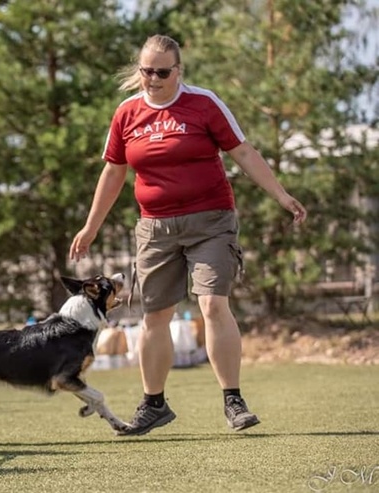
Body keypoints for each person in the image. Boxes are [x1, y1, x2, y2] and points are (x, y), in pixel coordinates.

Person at [69, 34, 307, 435]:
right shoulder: (127, 113)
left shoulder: (204, 103)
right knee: (154, 316)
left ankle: (233, 399)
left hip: (210, 222)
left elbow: (244, 152)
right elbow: (113, 171)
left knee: (213, 304)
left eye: (163, 72)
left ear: (179, 71)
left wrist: (281, 195)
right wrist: (91, 227)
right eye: (147, 71)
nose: (154, 79)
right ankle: (154, 404)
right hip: (155, 228)